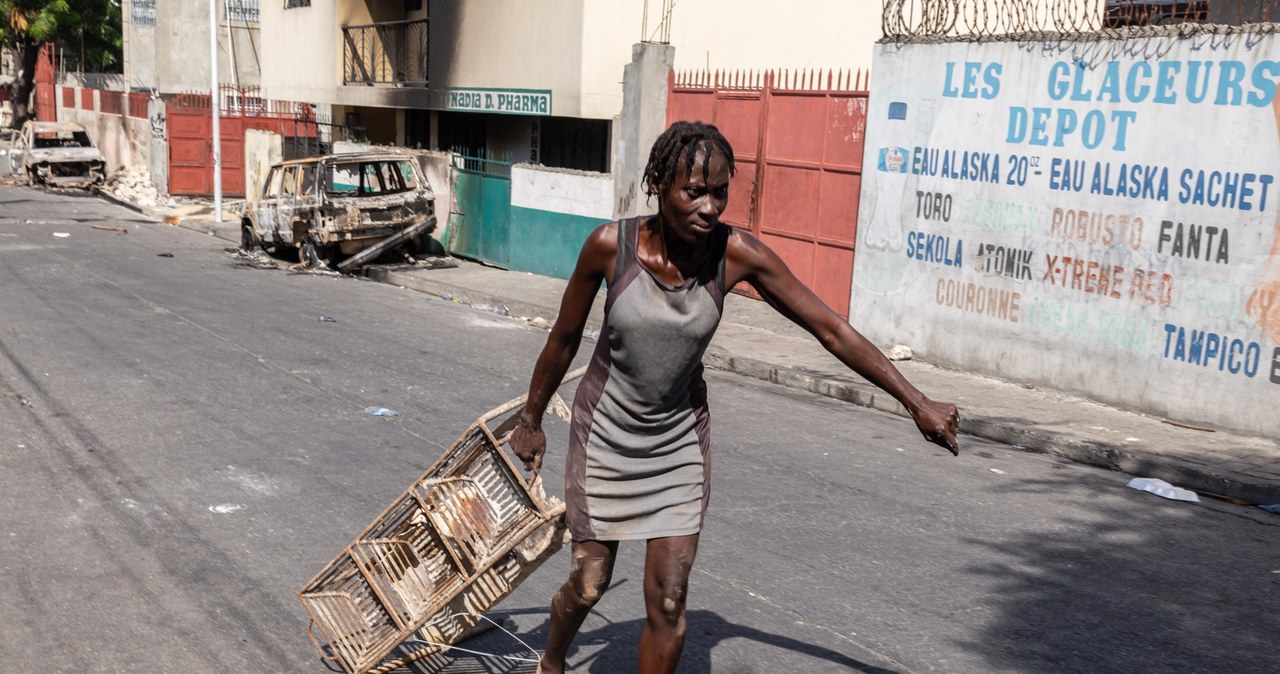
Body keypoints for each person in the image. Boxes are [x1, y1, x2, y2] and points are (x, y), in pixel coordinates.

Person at [511, 120, 960, 674]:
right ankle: (552, 661)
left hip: (677, 446)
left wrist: (917, 402)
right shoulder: (611, 246)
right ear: (658, 183)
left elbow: (830, 329)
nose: (709, 207)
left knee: (670, 603)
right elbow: (563, 337)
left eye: (719, 193)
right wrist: (532, 417)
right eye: (693, 191)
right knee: (588, 584)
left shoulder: (736, 254)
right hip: (604, 438)